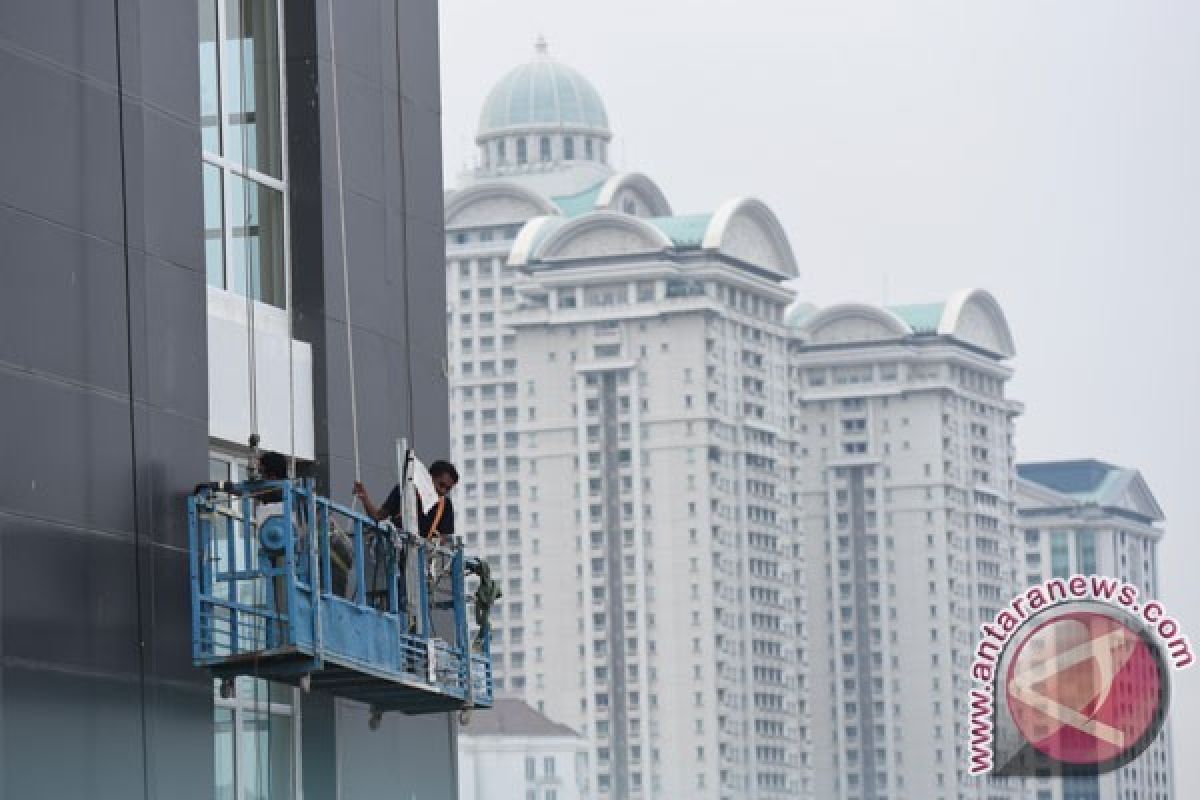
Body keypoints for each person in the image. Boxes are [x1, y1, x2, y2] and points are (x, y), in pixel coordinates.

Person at [353, 460, 458, 542]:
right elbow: (378, 516)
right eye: (441, 485)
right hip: (396, 548)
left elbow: (444, 539)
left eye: (448, 489)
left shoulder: (445, 506)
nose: (443, 491)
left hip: (421, 557)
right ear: (429, 478)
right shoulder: (404, 490)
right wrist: (364, 498)